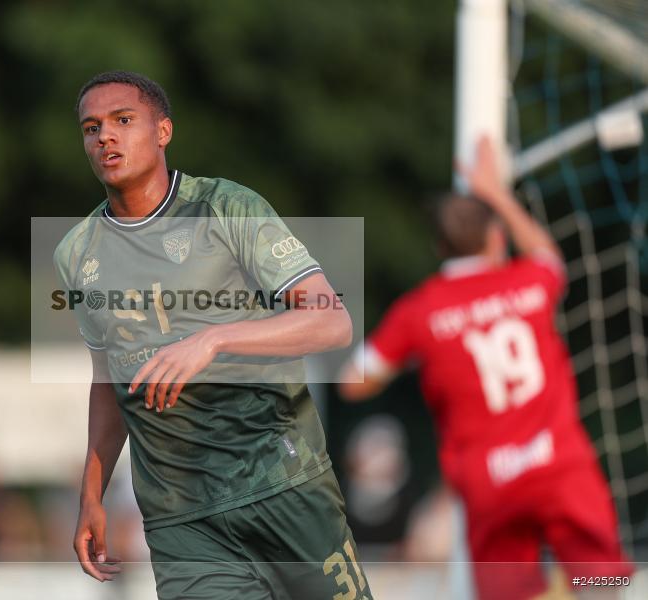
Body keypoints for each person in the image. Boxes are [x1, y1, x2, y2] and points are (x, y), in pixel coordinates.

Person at [54, 70, 372, 600]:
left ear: (163, 132)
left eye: (122, 120)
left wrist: (214, 339)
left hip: (282, 486)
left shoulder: (226, 207)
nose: (104, 136)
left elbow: (332, 321)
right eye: (91, 128)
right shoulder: (77, 253)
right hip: (182, 520)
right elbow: (107, 381)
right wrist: (91, 495)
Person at [339, 136, 632, 599]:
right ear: (496, 237)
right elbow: (548, 256)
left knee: (509, 594)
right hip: (558, 465)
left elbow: (355, 380)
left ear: (440, 245)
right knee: (602, 580)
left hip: (489, 482)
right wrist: (497, 193)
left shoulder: (421, 312)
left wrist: (425, 357)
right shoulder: (529, 282)